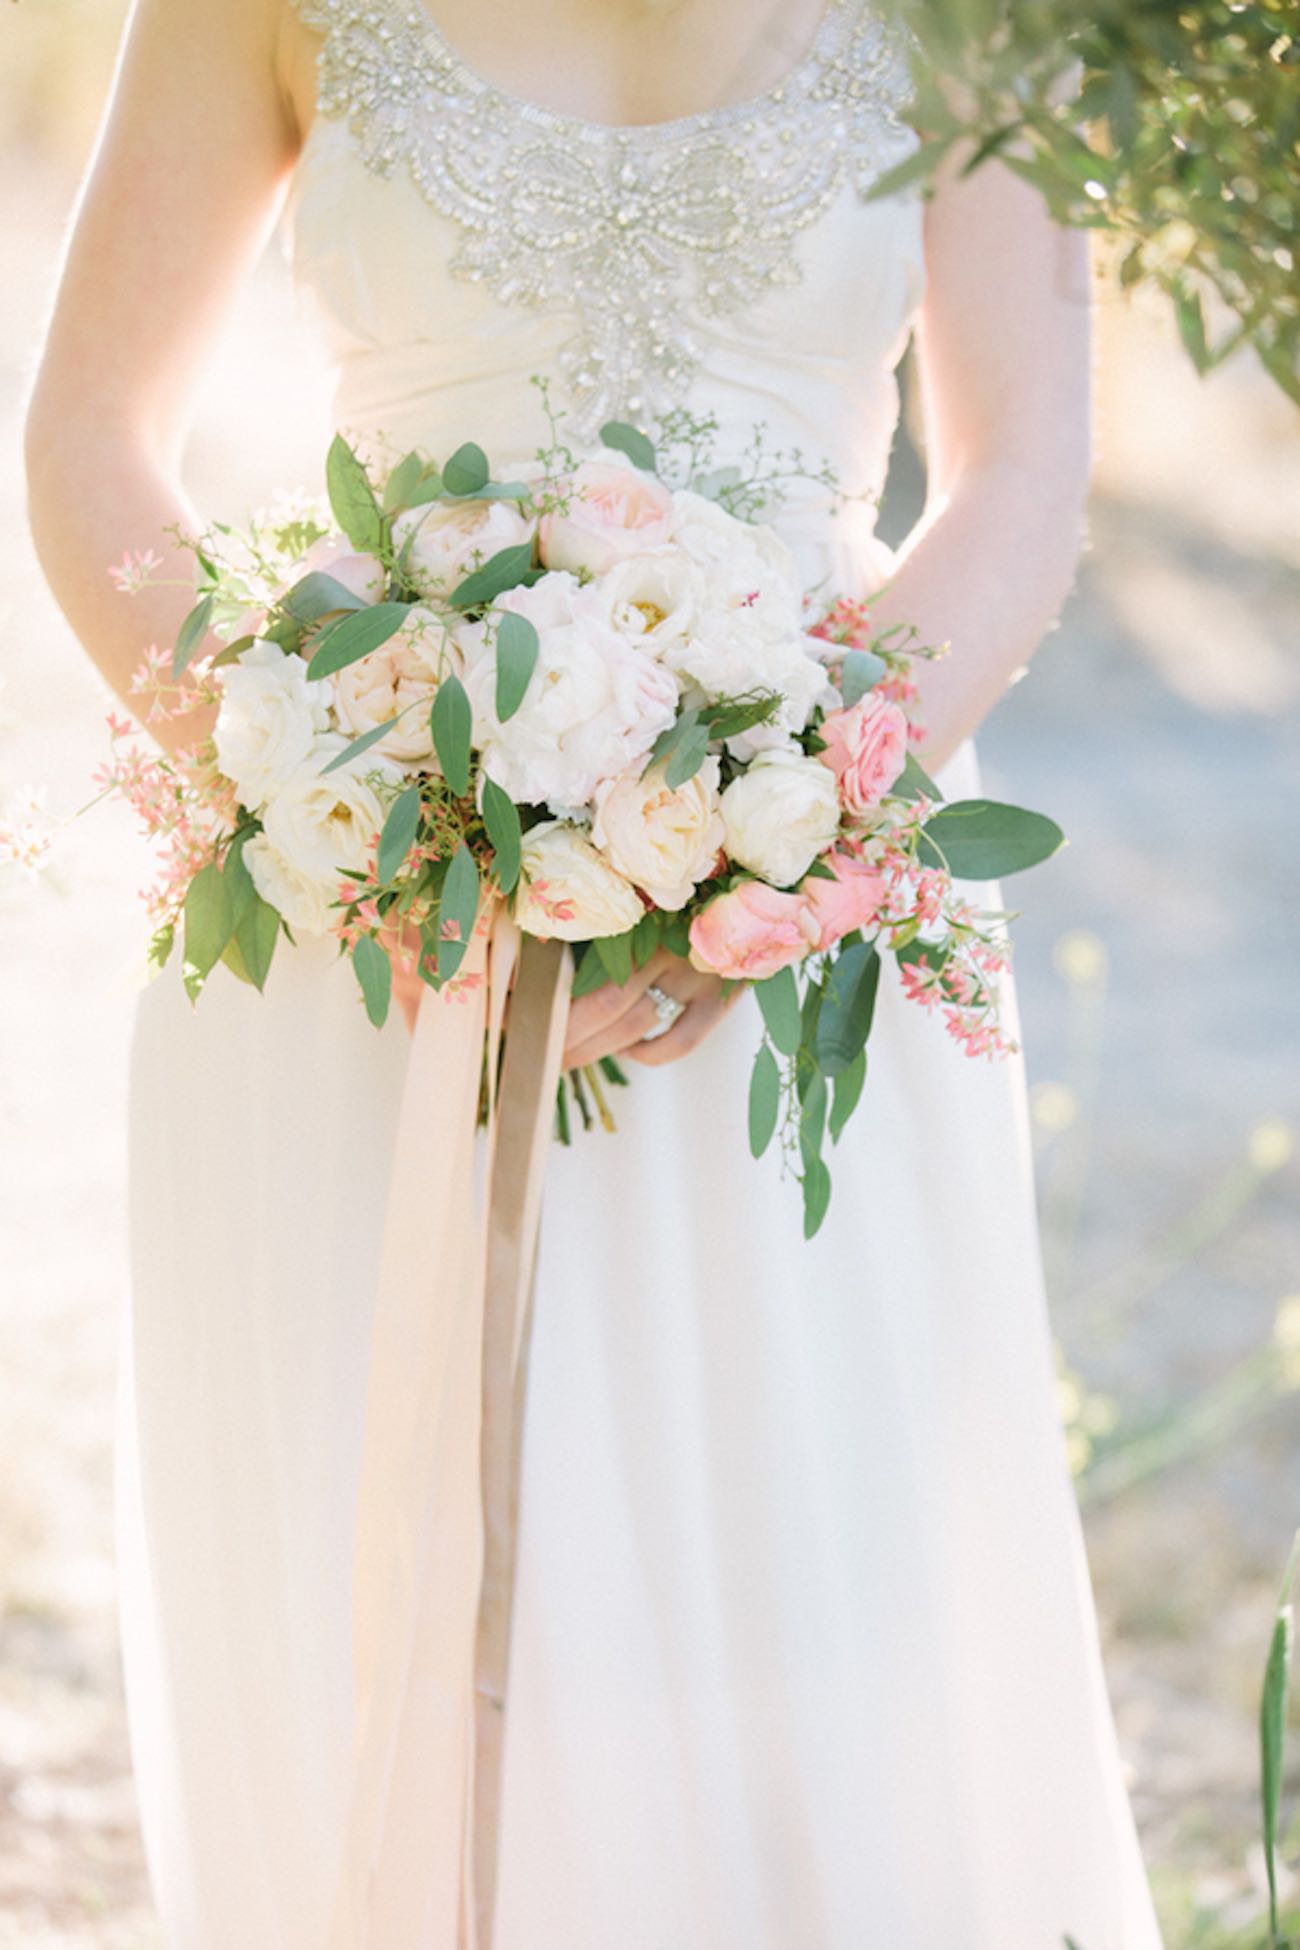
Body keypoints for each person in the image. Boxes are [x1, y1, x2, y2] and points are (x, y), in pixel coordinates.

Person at [24, 0, 1165, 1943]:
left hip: (800, 940)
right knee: (385, 1619)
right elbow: (87, 437)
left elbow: (1014, 480)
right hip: (364, 950)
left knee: (818, 1616)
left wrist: (789, 817)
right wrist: (317, 779)